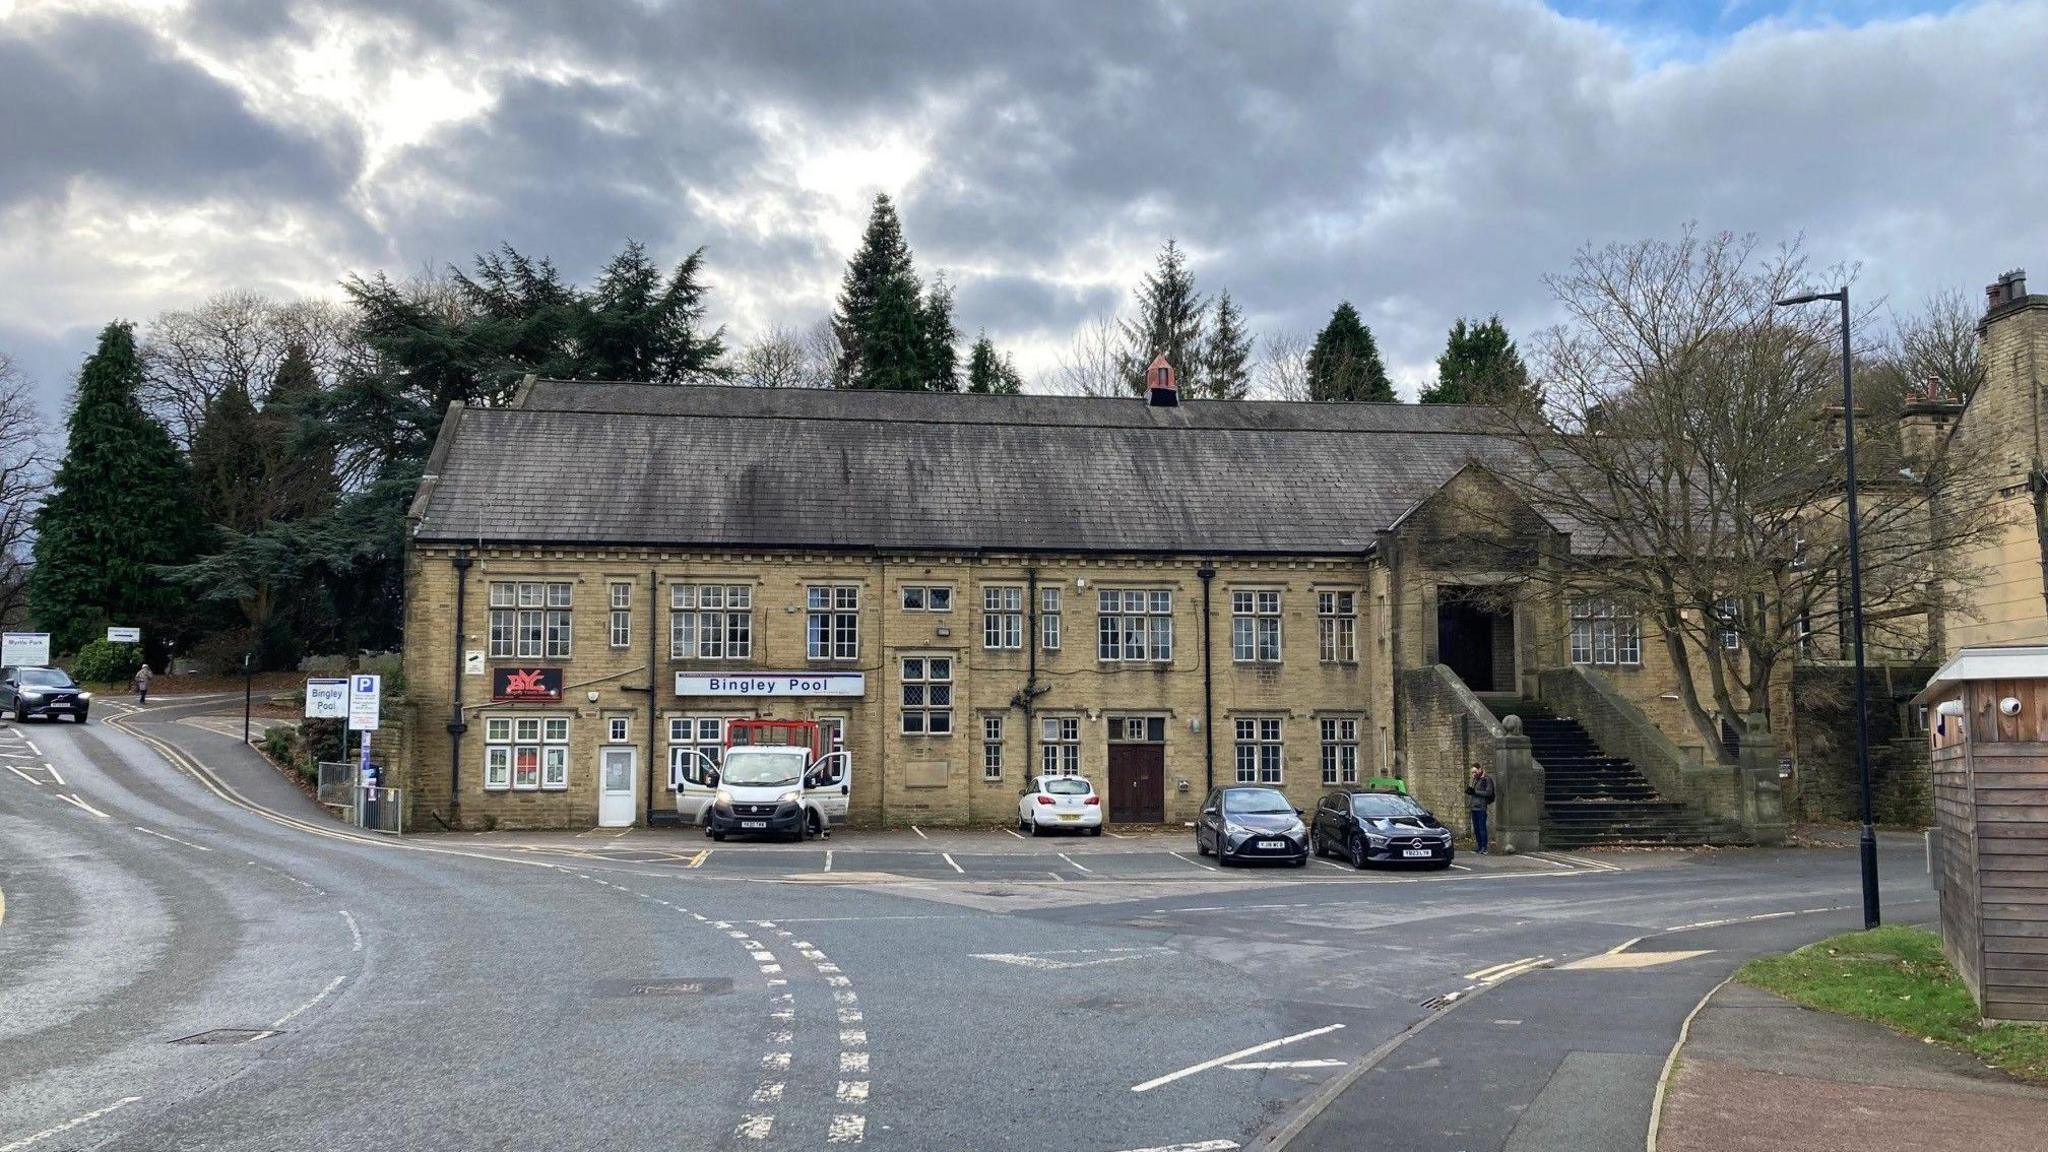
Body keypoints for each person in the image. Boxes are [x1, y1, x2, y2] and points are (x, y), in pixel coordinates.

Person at [1465, 762, 1496, 853]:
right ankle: (1479, 845)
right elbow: (1474, 791)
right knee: (1476, 828)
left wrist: (1475, 792)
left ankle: (1484, 847)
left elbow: (1488, 792)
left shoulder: (1486, 779)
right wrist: (1470, 791)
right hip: (1474, 806)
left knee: (1482, 828)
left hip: (1481, 807)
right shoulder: (1475, 779)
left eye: (1475, 772)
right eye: (1472, 772)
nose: (1473, 774)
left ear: (1479, 769)